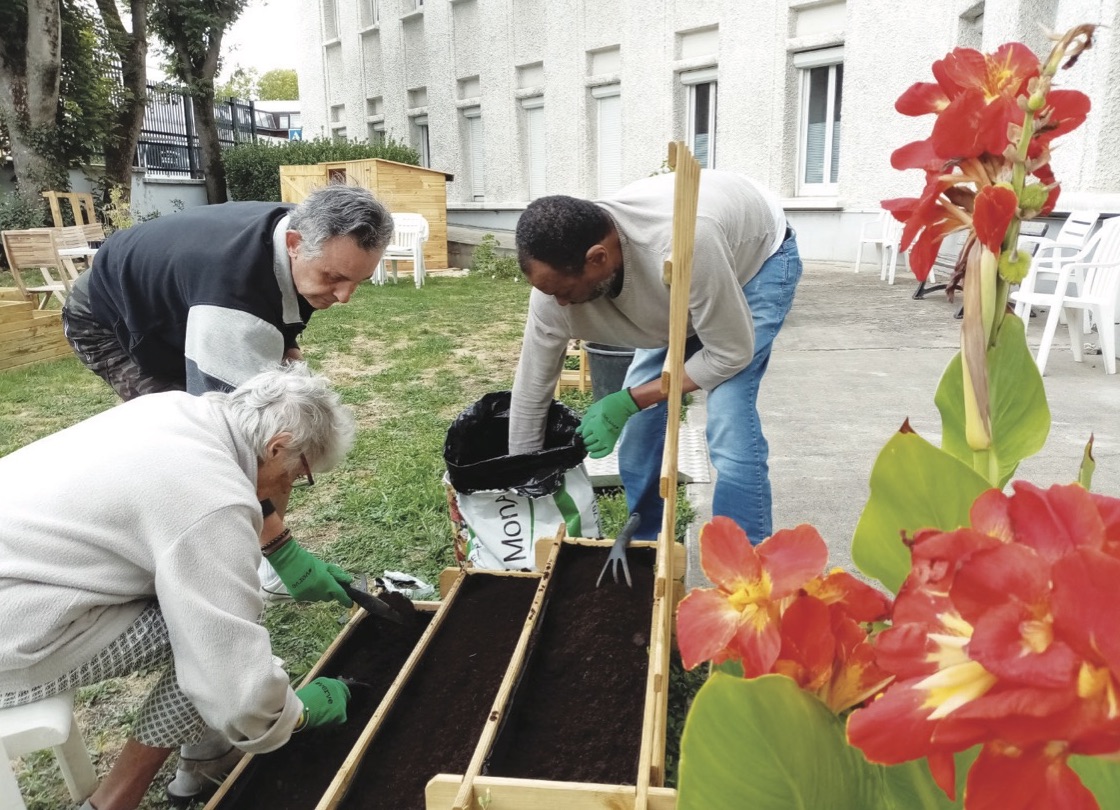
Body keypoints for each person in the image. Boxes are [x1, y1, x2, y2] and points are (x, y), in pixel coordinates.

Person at [59, 184, 392, 797]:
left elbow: (275, 384)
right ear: (296, 244)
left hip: (175, 305)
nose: (344, 296)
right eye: (335, 278)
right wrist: (277, 545)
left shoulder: (300, 248)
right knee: (209, 478)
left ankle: (201, 749)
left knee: (217, 457)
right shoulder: (231, 305)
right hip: (110, 316)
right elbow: (244, 447)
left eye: (358, 282)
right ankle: (196, 756)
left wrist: (288, 354)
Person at [0, 364, 357, 810]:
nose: (291, 486)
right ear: (277, 447)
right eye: (300, 474)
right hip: (13, 632)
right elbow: (232, 682)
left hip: (26, 578)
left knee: (200, 620)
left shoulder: (178, 411)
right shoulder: (212, 495)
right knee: (202, 642)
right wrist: (295, 713)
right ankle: (112, 803)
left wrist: (285, 552)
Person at [509, 170, 803, 545]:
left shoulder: (685, 245)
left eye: (565, 291)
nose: (559, 303)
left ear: (598, 258)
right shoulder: (552, 294)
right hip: (671, 291)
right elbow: (533, 391)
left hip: (756, 259)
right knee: (640, 430)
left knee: (730, 425)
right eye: (549, 292)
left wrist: (630, 399)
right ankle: (647, 541)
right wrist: (522, 479)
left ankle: (745, 570)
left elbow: (729, 354)